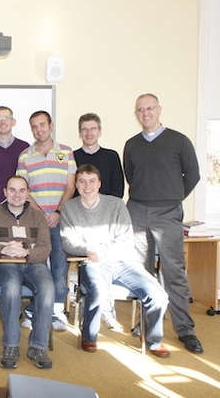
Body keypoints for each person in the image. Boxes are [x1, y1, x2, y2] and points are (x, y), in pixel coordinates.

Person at [60, 164, 170, 357]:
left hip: (121, 262)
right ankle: (89, 335)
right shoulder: (69, 208)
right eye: (82, 181)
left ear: (100, 183)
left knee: (157, 294)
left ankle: (153, 340)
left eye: (92, 181)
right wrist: (87, 249)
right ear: (76, 185)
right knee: (99, 290)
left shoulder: (116, 204)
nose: (87, 186)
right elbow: (68, 241)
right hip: (92, 262)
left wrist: (102, 249)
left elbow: (126, 238)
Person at [123, 93, 203, 354]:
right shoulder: (132, 144)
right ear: (136, 115)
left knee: (174, 272)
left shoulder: (178, 140)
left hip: (167, 213)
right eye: (140, 110)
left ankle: (185, 329)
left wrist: (173, 197)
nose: (145, 113)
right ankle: (147, 326)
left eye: (149, 108)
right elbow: (131, 177)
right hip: (137, 210)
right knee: (142, 272)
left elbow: (193, 175)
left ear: (159, 110)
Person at [0, 175, 54, 369]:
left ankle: (38, 347)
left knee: (47, 287)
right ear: (5, 192)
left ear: (28, 193)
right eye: (12, 190)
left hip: (33, 264)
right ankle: (10, 346)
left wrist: (27, 252)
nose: (17, 195)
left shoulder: (37, 216)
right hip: (4, 265)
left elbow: (45, 247)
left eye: (21, 190)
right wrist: (2, 249)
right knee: (11, 287)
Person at [16, 110, 76, 330]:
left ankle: (57, 311)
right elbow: (24, 190)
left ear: (51, 125)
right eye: (34, 126)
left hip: (61, 220)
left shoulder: (66, 152)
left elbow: (71, 186)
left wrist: (58, 212)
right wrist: (42, 215)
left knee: (59, 269)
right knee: (37, 268)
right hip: (36, 221)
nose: (38, 130)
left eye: (42, 124)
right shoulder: (25, 156)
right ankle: (35, 310)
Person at [73, 113, 124, 330]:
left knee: (105, 260)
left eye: (93, 129)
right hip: (80, 221)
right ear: (80, 132)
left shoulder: (111, 156)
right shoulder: (71, 156)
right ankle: (97, 305)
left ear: (99, 131)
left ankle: (107, 309)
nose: (89, 133)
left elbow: (118, 191)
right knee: (89, 260)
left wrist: (103, 212)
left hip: (106, 221)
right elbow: (71, 190)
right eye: (84, 129)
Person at [0, 106, 30, 208]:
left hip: (20, 207)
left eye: (6, 118)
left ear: (13, 122)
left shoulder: (25, 148)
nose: (2, 122)